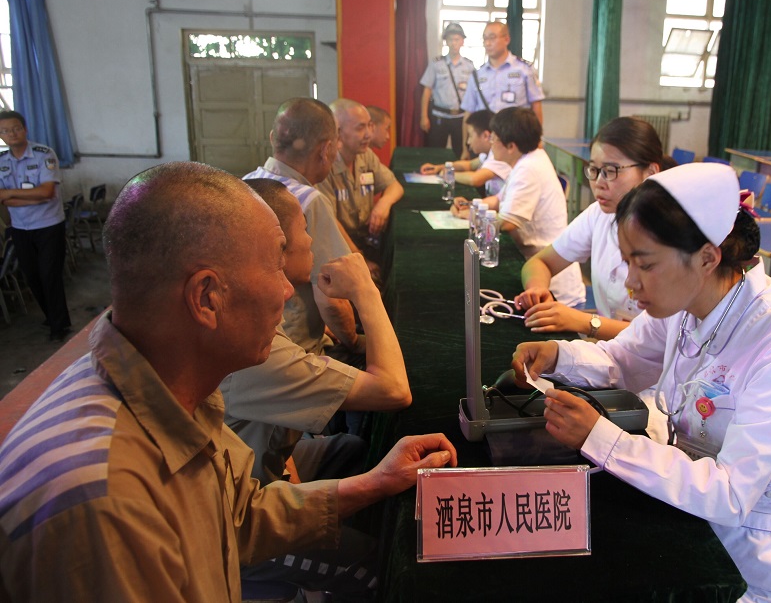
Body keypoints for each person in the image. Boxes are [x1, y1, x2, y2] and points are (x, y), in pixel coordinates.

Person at [0, 162, 457, 602]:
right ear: (206, 298)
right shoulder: (106, 502)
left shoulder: (168, 379)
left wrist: (377, 482)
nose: (286, 290)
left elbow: (238, 515)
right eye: (274, 266)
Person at [512, 163, 771, 602]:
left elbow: (730, 494)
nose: (630, 283)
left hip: (762, 570)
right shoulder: (688, 302)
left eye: (644, 264)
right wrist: (558, 355)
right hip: (695, 526)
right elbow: (622, 359)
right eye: (628, 262)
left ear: (707, 257)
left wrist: (601, 438)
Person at [222, 178, 412, 486]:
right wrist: (366, 291)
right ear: (278, 246)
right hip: (247, 492)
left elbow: (272, 428)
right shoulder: (255, 348)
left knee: (351, 449)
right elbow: (395, 391)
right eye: (305, 228)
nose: (311, 240)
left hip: (267, 460)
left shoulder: (252, 311)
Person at [515, 117, 673, 339]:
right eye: (594, 170)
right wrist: (537, 289)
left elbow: (660, 337)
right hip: (611, 351)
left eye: (611, 170)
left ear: (650, 173)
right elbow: (539, 262)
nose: (599, 182)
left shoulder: (673, 234)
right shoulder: (599, 215)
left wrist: (583, 321)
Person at [244, 98, 362, 364]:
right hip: (298, 350)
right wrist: (354, 342)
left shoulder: (244, 184)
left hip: (252, 342)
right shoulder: (307, 200)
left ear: (273, 138)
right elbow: (331, 298)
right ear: (326, 149)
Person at [453, 107, 585, 307]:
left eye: (494, 139)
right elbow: (499, 200)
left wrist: (470, 216)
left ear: (511, 146)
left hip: (553, 290)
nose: (491, 143)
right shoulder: (527, 160)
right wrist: (470, 206)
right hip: (539, 272)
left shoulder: (529, 168)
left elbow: (507, 222)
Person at [0, 111, 71, 341]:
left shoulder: (44, 154)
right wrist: (32, 197)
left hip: (49, 225)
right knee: (31, 276)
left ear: (25, 129)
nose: (12, 134)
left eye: (16, 128)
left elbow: (47, 192)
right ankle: (51, 315)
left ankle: (59, 326)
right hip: (20, 227)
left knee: (50, 275)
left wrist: (10, 194)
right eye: (5, 131)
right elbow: (3, 199)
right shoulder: (1, 161)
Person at [320, 99, 404, 254]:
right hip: (340, 247)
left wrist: (383, 204)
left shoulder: (365, 155)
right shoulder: (324, 165)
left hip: (365, 240)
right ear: (338, 132)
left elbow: (395, 186)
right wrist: (359, 258)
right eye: (360, 128)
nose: (368, 134)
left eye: (369, 126)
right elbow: (329, 222)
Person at [460, 22, 544, 127]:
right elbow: (469, 111)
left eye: (492, 38)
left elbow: (536, 105)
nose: (487, 43)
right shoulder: (478, 75)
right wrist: (465, 138)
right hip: (487, 133)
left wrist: (537, 135)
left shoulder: (525, 70)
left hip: (516, 131)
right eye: (485, 39)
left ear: (506, 40)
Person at [418, 110, 511, 196]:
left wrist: (448, 174)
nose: (468, 141)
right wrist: (439, 168)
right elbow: (470, 165)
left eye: (470, 135)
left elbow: (475, 179)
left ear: (486, 136)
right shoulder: (488, 153)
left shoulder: (499, 156)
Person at [419, 22, 475, 157]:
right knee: (435, 153)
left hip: (461, 118)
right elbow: (427, 90)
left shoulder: (469, 66)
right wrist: (423, 116)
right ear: (446, 42)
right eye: (450, 39)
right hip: (439, 116)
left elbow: (473, 94)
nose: (454, 43)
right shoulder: (436, 64)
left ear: (462, 42)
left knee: (461, 153)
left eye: (457, 39)